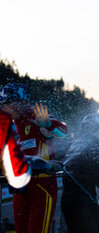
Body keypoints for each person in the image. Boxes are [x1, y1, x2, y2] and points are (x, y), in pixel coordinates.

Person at [0, 83, 68, 233]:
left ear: (21, 102)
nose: (4, 108)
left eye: (7, 104)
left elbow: (64, 132)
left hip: (41, 187)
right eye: (2, 104)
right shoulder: (10, 125)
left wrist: (49, 124)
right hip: (19, 190)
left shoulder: (37, 117)